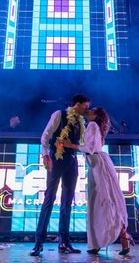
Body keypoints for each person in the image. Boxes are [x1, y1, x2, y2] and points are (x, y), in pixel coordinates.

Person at [62, 107, 133, 256]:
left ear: (96, 115)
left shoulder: (93, 125)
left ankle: (120, 237)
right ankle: (99, 242)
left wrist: (70, 145)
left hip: (99, 165)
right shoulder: (92, 126)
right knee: (98, 204)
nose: (88, 111)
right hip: (96, 165)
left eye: (92, 110)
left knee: (106, 203)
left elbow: (90, 148)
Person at [29, 94, 91, 256]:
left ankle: (64, 242)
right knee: (49, 199)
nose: (87, 108)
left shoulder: (81, 122)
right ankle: (38, 243)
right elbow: (46, 135)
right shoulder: (59, 114)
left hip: (72, 161)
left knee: (67, 202)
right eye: (85, 105)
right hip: (56, 159)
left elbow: (82, 144)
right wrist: (45, 155)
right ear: (77, 104)